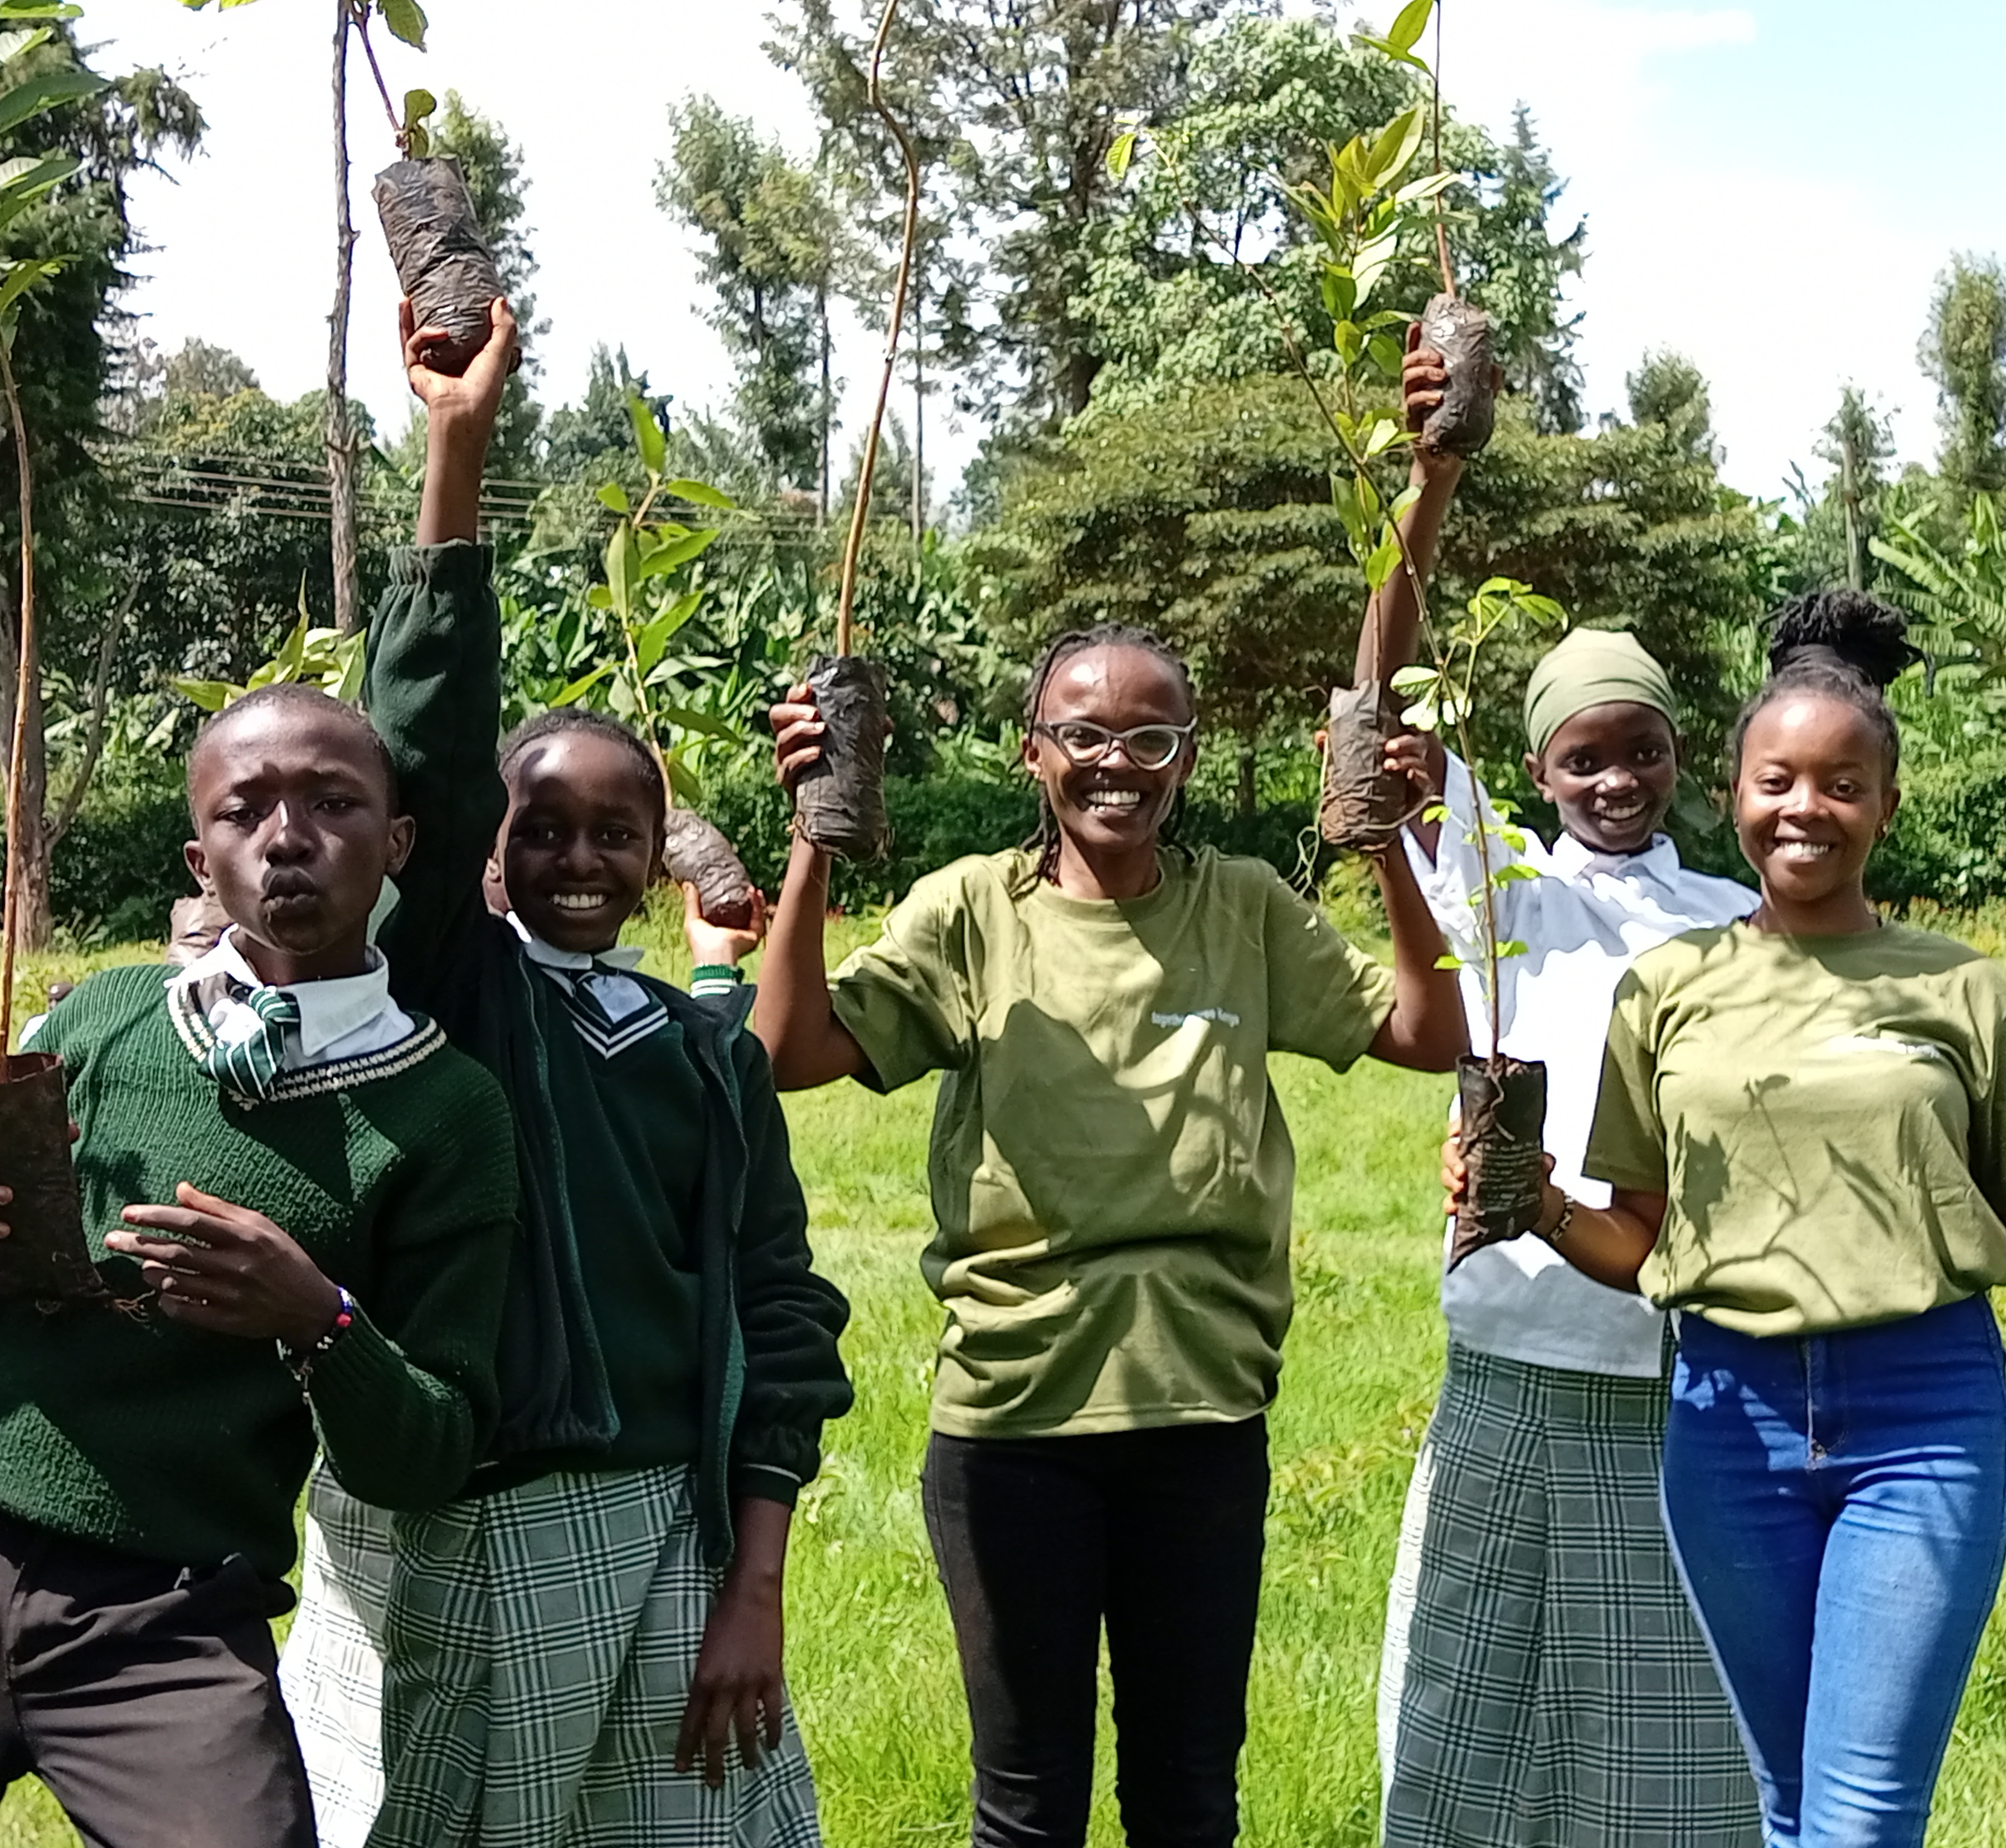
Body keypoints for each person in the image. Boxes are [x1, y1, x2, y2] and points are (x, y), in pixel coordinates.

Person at [280, 290, 854, 1848]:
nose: (580, 859)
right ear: (480, 847)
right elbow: (426, 738)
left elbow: (781, 1318)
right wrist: (455, 456)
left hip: (654, 1538)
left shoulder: (696, 1054)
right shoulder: (452, 999)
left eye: (619, 829)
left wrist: (753, 1588)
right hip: (447, 1531)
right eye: (541, 828)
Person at [747, 623, 1468, 1848]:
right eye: (1083, 734)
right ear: (1034, 752)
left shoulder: (1238, 907)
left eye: (1150, 737)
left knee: (1186, 1791)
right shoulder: (973, 910)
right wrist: (813, 840)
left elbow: (1424, 1031)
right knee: (1028, 1800)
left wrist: (1385, 837)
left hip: (1201, 1414)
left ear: (1185, 757)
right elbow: (783, 1052)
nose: (1116, 763)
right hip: (1015, 1418)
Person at [0, 683, 521, 1848]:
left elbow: (429, 1448)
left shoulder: (442, 1111)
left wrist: (316, 1320)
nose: (289, 838)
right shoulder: (103, 1022)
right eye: (245, 810)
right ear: (200, 855)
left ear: (399, 843)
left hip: (171, 1603)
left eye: (334, 803)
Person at [1543, 592, 2006, 1846]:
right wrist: (1530, 1206)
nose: (1804, 808)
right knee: (1787, 1801)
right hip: (1725, 1421)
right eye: (1779, 780)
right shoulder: (1669, 989)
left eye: (1841, 783)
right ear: (1735, 790)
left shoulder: (1961, 986)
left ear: (1885, 801)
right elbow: (1640, 1242)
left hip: (1922, 1417)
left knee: (1862, 1816)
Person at [1369, 345, 1757, 1848]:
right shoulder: (1499, 880)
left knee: (1666, 1747)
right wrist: (1432, 479)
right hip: (1519, 1355)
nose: (1616, 781)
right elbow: (1378, 688)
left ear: (1681, 758)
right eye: (1583, 756)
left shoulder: (1729, 911)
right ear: (1534, 766)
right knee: (1474, 1711)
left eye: (1644, 750)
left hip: (1679, 1365)